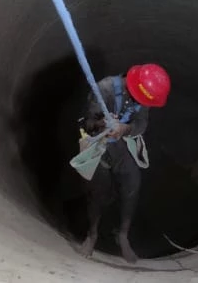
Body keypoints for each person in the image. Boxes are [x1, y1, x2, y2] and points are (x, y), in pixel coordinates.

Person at [79, 63, 170, 263]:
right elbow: (87, 124)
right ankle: (92, 233)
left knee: (132, 186)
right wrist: (102, 123)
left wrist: (124, 129)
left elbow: (141, 124)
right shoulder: (104, 89)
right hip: (99, 144)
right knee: (97, 192)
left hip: (123, 146)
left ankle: (122, 235)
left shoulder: (143, 96)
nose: (145, 104)